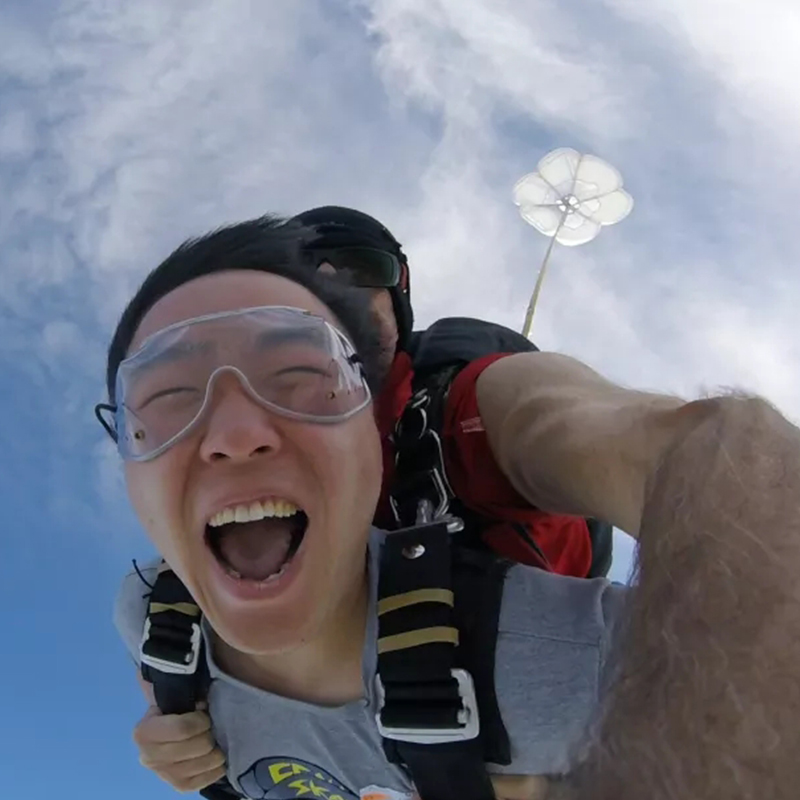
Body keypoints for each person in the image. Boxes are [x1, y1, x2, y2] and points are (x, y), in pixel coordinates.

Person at [102, 214, 800, 800]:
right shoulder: (179, 570)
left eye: (356, 265)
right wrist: (194, 703)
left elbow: (712, 459)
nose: (331, 283)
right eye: (310, 273)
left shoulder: (472, 404)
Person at [290, 206, 613, 579]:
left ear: (400, 288)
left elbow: (565, 429)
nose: (333, 292)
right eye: (299, 278)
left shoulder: (452, 398)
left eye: (362, 268)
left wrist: (668, 461)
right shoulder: (242, 433)